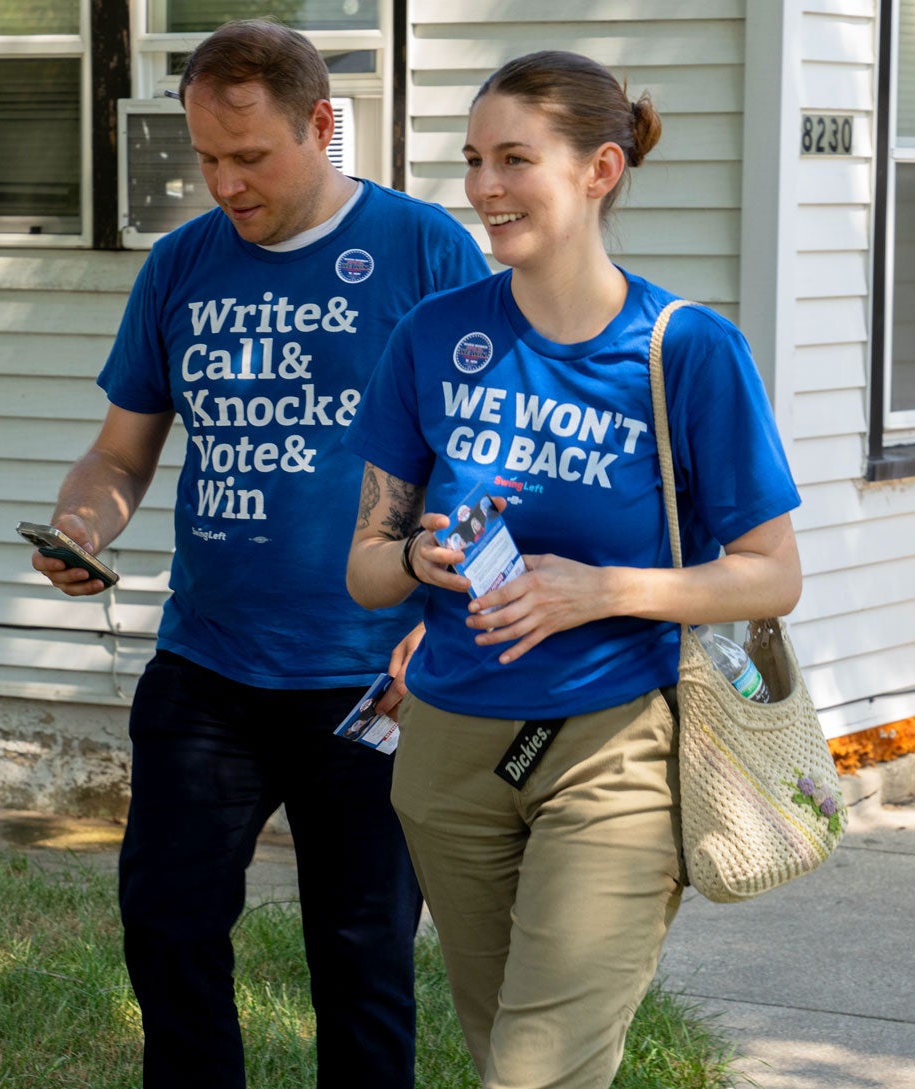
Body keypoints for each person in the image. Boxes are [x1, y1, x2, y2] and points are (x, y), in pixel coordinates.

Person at [29, 19, 489, 1088]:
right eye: (204, 158)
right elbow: (118, 452)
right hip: (209, 669)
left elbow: (481, 458)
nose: (223, 183)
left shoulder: (425, 250)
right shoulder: (181, 266)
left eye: (250, 157)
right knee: (166, 926)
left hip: (373, 674)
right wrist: (82, 527)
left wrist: (440, 630)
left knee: (361, 952)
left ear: (320, 127)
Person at [341, 51, 803, 1089]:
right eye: (471, 160)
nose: (482, 188)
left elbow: (769, 574)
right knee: (501, 1046)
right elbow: (364, 571)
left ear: (599, 169)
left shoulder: (683, 349)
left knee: (534, 1074)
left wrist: (599, 590)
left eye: (514, 159)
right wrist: (416, 555)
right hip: (446, 756)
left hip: (611, 751)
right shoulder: (432, 338)